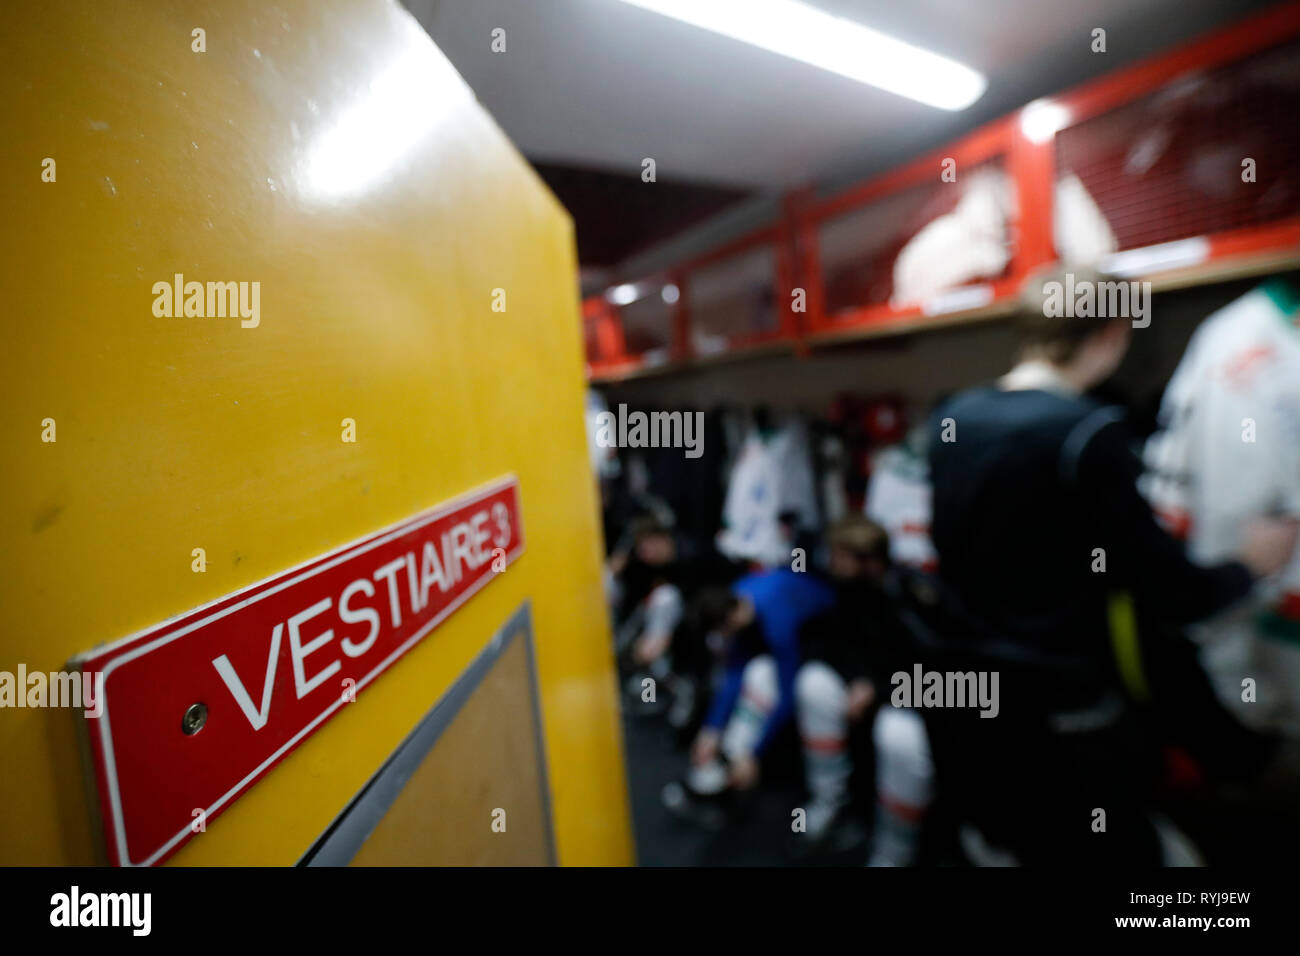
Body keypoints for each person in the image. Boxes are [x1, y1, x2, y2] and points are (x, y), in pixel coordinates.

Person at [924, 267, 1298, 865]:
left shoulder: (955, 417)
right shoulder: (1087, 434)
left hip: (971, 692)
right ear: (1111, 333)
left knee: (1012, 841)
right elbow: (1171, 590)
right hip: (1065, 707)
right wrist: (1249, 566)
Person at [662, 566, 835, 825]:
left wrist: (755, 753)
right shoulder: (737, 596)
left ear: (730, 621)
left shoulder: (778, 622)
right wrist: (711, 730)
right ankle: (729, 762)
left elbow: (787, 696)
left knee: (764, 677)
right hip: (792, 625)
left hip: (828, 632)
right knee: (751, 672)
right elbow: (734, 672)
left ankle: (741, 765)